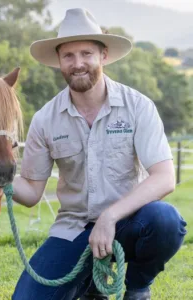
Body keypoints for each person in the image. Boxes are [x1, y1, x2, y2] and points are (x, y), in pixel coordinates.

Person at [11, 8, 187, 300]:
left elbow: (165, 177)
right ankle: (89, 284)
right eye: (68, 56)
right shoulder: (45, 119)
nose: (78, 64)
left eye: (86, 54)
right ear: (58, 61)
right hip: (74, 229)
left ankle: (138, 287)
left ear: (103, 55)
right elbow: (30, 192)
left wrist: (109, 217)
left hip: (129, 222)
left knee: (165, 220)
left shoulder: (138, 107)